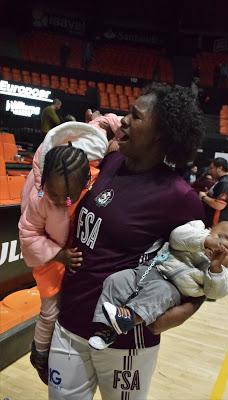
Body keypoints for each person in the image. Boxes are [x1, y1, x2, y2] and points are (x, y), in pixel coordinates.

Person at [48, 83, 206, 400]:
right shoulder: (111, 163)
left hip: (124, 342)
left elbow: (202, 273)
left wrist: (184, 312)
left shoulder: (179, 196)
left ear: (159, 134)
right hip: (70, 323)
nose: (122, 120)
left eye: (135, 116)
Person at [19, 117, 121, 384]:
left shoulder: (92, 168)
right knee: (50, 308)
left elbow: (102, 123)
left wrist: (117, 127)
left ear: (86, 181)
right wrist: (58, 254)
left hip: (65, 248)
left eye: (69, 197)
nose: (62, 202)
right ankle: (39, 354)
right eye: (55, 196)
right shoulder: (40, 198)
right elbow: (28, 235)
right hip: (48, 253)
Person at [88, 220, 228, 350]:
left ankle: (129, 318)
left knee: (160, 291)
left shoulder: (219, 272)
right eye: (221, 238)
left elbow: (215, 292)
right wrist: (205, 241)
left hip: (171, 288)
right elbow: (176, 237)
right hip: (149, 270)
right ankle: (105, 329)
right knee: (116, 280)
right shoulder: (196, 229)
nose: (222, 248)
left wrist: (216, 267)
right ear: (210, 229)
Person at [199, 157, 228, 228]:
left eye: (211, 168)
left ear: (220, 168)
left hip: (216, 225)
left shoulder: (225, 183)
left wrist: (203, 197)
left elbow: (219, 204)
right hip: (221, 224)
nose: (209, 171)